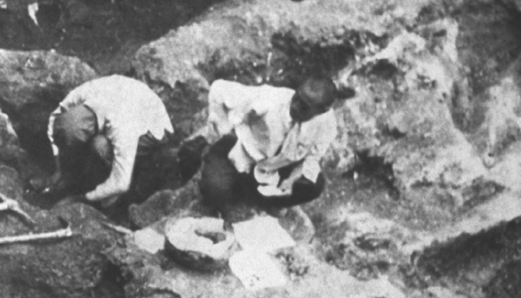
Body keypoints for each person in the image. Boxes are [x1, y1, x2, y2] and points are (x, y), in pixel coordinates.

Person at [197, 76, 339, 217]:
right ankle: (238, 193)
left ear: (321, 112)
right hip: (238, 155)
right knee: (215, 190)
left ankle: (265, 202)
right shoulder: (270, 98)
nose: (295, 106)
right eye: (297, 97)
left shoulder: (326, 123)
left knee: (314, 185)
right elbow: (219, 89)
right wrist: (223, 128)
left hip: (273, 168)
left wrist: (291, 181)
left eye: (304, 107)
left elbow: (311, 159)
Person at [38, 75, 173, 207]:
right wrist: (58, 165)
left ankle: (108, 199)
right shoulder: (84, 93)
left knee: (99, 146)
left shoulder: (122, 127)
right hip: (126, 99)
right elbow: (54, 118)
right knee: (79, 139)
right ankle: (69, 177)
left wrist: (81, 199)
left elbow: (121, 183)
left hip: (153, 126)